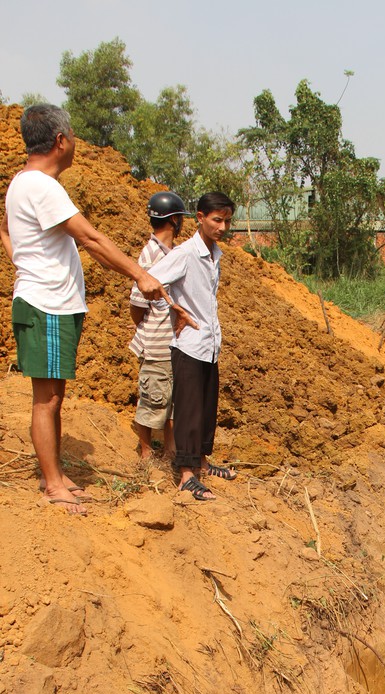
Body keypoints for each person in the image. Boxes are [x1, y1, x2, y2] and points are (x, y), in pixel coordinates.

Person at [0, 103, 185, 515]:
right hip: (46, 304)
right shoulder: (42, 187)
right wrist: (140, 274)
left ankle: (57, 473)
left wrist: (23, 265)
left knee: (55, 395)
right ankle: (52, 483)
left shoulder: (22, 184)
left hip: (52, 303)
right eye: (74, 137)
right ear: (61, 140)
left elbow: (11, 233)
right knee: (46, 399)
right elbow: (93, 239)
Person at [147, 191, 236, 501]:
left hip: (208, 343)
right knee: (188, 409)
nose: (223, 227)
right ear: (199, 218)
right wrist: (173, 307)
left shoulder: (214, 255)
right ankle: (186, 475)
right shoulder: (185, 254)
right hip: (188, 344)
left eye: (227, 221)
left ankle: (202, 463)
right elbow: (147, 282)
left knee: (206, 407)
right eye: (216, 220)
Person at [129, 191, 190, 460]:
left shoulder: (173, 252)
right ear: (174, 220)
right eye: (181, 219)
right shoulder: (150, 254)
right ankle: (145, 451)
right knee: (153, 399)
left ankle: (170, 450)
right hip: (155, 345)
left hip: (173, 343)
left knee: (171, 401)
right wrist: (149, 328)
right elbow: (136, 304)